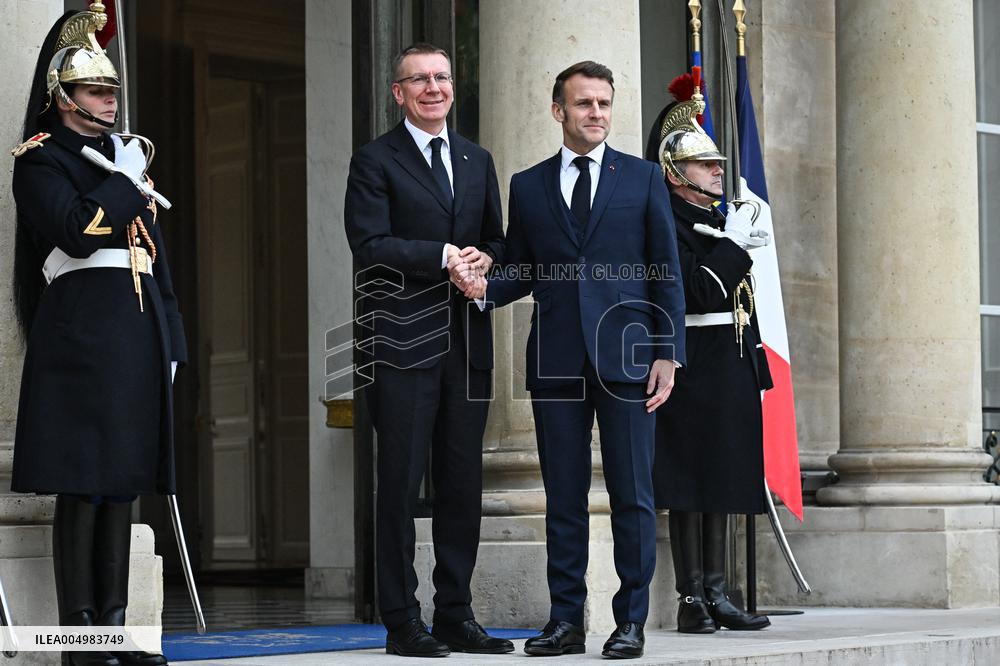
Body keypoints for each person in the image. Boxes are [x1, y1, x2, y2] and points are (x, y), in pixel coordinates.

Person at [451, 61, 686, 659]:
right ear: (559, 111)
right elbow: (524, 267)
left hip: (629, 357)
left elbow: (666, 270)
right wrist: (483, 290)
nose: (596, 113)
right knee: (563, 495)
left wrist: (668, 353)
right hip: (556, 358)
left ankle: (630, 621)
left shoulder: (643, 178)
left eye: (604, 103)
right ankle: (565, 622)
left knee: (632, 493)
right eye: (584, 103)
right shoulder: (528, 185)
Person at [10, 5, 184, 666]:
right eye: (95, 90)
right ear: (63, 97)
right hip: (80, 338)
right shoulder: (41, 161)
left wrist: (172, 340)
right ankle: (80, 640)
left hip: (136, 336)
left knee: (122, 483)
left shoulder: (123, 159)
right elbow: (77, 232)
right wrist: (124, 182)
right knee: (82, 483)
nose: (110, 101)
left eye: (112, 90)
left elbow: (154, 261)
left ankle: (113, 630)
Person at [343, 43, 510, 658]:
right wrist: (443, 257)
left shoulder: (476, 158)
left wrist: (484, 258)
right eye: (420, 80)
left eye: (441, 77)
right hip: (401, 344)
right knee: (400, 484)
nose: (433, 88)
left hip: (466, 344)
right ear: (399, 93)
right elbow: (369, 244)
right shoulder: (374, 160)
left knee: (462, 486)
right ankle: (401, 619)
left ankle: (455, 614)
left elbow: (497, 238)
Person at [644, 74, 772, 634]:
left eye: (717, 163)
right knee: (688, 482)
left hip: (730, 359)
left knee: (722, 475)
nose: (718, 171)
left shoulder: (721, 218)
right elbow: (698, 292)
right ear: (676, 173)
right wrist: (732, 246)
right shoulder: (667, 222)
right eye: (705, 165)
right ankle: (690, 597)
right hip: (692, 359)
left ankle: (719, 591)